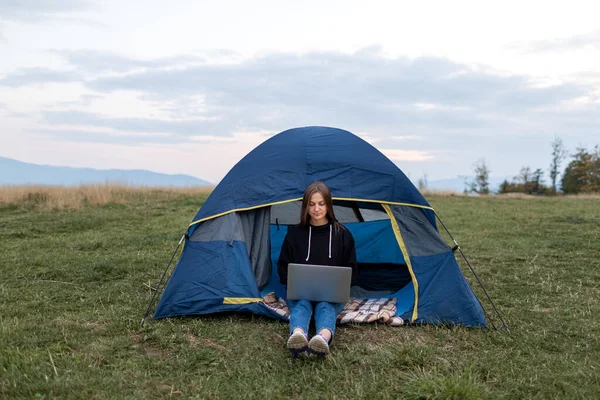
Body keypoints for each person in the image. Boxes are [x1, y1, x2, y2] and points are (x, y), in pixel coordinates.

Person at [278, 181, 357, 357]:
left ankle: (322, 338)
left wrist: (341, 287)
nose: (316, 209)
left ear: (328, 205)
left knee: (325, 306)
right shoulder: (294, 233)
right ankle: (298, 335)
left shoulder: (342, 234)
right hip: (301, 293)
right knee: (301, 306)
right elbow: (283, 266)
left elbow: (352, 269)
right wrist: (291, 283)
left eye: (321, 204)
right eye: (311, 204)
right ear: (305, 206)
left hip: (330, 295)